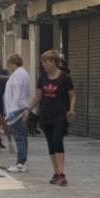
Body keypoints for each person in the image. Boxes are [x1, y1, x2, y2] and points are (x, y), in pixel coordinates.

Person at [38, 49, 76, 185]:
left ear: (53, 62)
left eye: (46, 62)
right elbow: (38, 96)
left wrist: (71, 110)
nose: (44, 65)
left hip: (60, 115)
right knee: (51, 144)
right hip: (45, 114)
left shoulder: (64, 77)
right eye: (43, 62)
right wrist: (27, 110)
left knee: (57, 140)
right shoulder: (42, 77)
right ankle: (55, 173)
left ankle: (61, 173)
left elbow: (72, 95)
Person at [2, 52, 34, 173]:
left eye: (9, 64)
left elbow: (16, 93)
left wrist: (12, 111)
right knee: (22, 136)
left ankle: (20, 162)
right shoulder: (22, 73)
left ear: (12, 63)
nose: (8, 67)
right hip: (20, 108)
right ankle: (22, 161)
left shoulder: (17, 75)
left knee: (19, 136)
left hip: (16, 110)